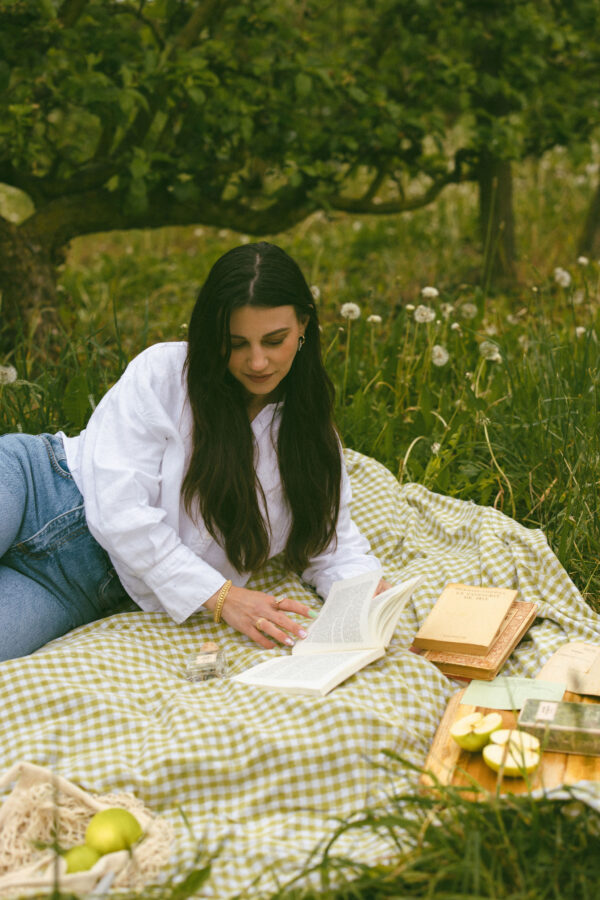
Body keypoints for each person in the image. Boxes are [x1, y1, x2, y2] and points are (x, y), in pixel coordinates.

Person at [0, 242, 389, 662]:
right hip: (36, 487)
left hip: (76, 587)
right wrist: (222, 597)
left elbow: (332, 547)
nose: (257, 361)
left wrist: (369, 598)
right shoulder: (164, 374)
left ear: (303, 328)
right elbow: (118, 511)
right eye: (236, 343)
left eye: (274, 340)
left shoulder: (311, 439)